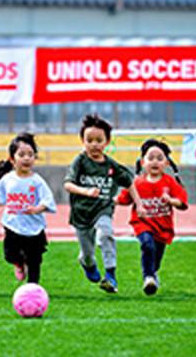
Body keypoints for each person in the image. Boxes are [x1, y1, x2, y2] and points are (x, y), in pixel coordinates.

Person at [64, 113, 145, 294]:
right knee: (87, 253)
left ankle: (110, 275)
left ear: (107, 142)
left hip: (103, 209)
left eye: (99, 140)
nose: (94, 144)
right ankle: (87, 263)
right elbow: (68, 184)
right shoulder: (80, 162)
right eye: (89, 140)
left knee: (105, 233)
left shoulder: (111, 165)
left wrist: (139, 205)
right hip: (81, 213)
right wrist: (86, 191)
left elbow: (129, 182)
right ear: (82, 141)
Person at [114, 138, 188, 296]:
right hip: (142, 224)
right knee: (147, 245)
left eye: (160, 158)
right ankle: (147, 277)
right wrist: (107, 199)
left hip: (163, 227)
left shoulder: (170, 183)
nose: (155, 162)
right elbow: (123, 199)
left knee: (156, 257)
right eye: (151, 158)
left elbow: (182, 202)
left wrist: (171, 201)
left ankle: (153, 273)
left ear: (167, 163)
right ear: (142, 162)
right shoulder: (137, 183)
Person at [0, 132, 56, 284]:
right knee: (10, 255)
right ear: (12, 159)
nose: (27, 158)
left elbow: (47, 200)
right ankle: (19, 263)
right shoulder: (8, 179)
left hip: (34, 227)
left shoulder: (37, 181)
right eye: (22, 154)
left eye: (30, 154)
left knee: (35, 260)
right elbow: (0, 196)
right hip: (13, 225)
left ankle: (33, 287)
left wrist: (38, 209)